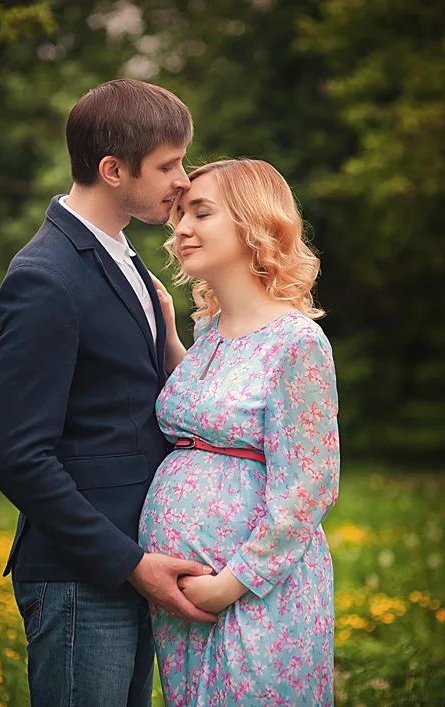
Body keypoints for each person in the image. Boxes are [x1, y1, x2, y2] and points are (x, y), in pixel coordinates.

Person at [0, 79, 217, 707]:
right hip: (83, 576)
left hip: (136, 565)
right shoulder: (45, 277)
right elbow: (18, 457)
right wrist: (128, 562)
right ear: (113, 169)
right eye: (168, 165)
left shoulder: (126, 260)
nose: (182, 179)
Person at [139, 158, 340, 706]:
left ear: (254, 222)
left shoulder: (296, 343)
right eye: (179, 214)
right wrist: (163, 324)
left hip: (253, 593)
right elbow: (203, 405)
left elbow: (309, 487)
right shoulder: (209, 333)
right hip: (186, 601)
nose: (180, 228)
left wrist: (230, 584)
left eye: (200, 212)